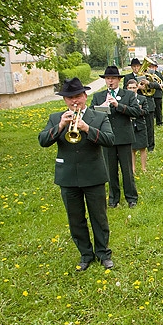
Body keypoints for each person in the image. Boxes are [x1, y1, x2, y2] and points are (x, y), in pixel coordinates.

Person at [38, 78, 116, 271]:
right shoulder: (56, 118)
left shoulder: (98, 117)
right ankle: (85, 254)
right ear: (64, 100)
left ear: (85, 96)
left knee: (99, 217)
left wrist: (86, 128)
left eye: (78, 97)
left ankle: (103, 253)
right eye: (70, 98)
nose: (74, 101)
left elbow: (109, 140)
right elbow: (43, 140)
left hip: (93, 175)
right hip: (68, 177)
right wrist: (61, 127)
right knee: (75, 218)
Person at [90, 66, 142, 208]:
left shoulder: (128, 95)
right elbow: (90, 115)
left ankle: (131, 198)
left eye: (113, 78)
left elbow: (137, 112)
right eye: (107, 79)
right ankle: (113, 199)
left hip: (124, 138)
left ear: (119, 80)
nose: (110, 81)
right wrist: (101, 107)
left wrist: (118, 105)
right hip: (107, 138)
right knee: (110, 171)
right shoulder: (98, 96)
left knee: (127, 170)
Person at [126, 79, 150, 174]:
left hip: (140, 125)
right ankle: (133, 168)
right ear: (127, 88)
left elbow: (147, 111)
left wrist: (138, 111)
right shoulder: (125, 99)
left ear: (137, 87)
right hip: (129, 125)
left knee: (143, 147)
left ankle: (144, 168)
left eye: (134, 87)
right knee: (132, 149)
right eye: (130, 88)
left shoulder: (142, 99)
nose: (132, 90)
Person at [146, 58, 163, 126]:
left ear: (156, 67)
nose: (151, 68)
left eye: (153, 67)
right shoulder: (146, 74)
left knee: (158, 109)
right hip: (149, 94)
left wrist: (162, 85)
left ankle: (159, 122)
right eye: (150, 66)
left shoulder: (158, 74)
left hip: (157, 94)